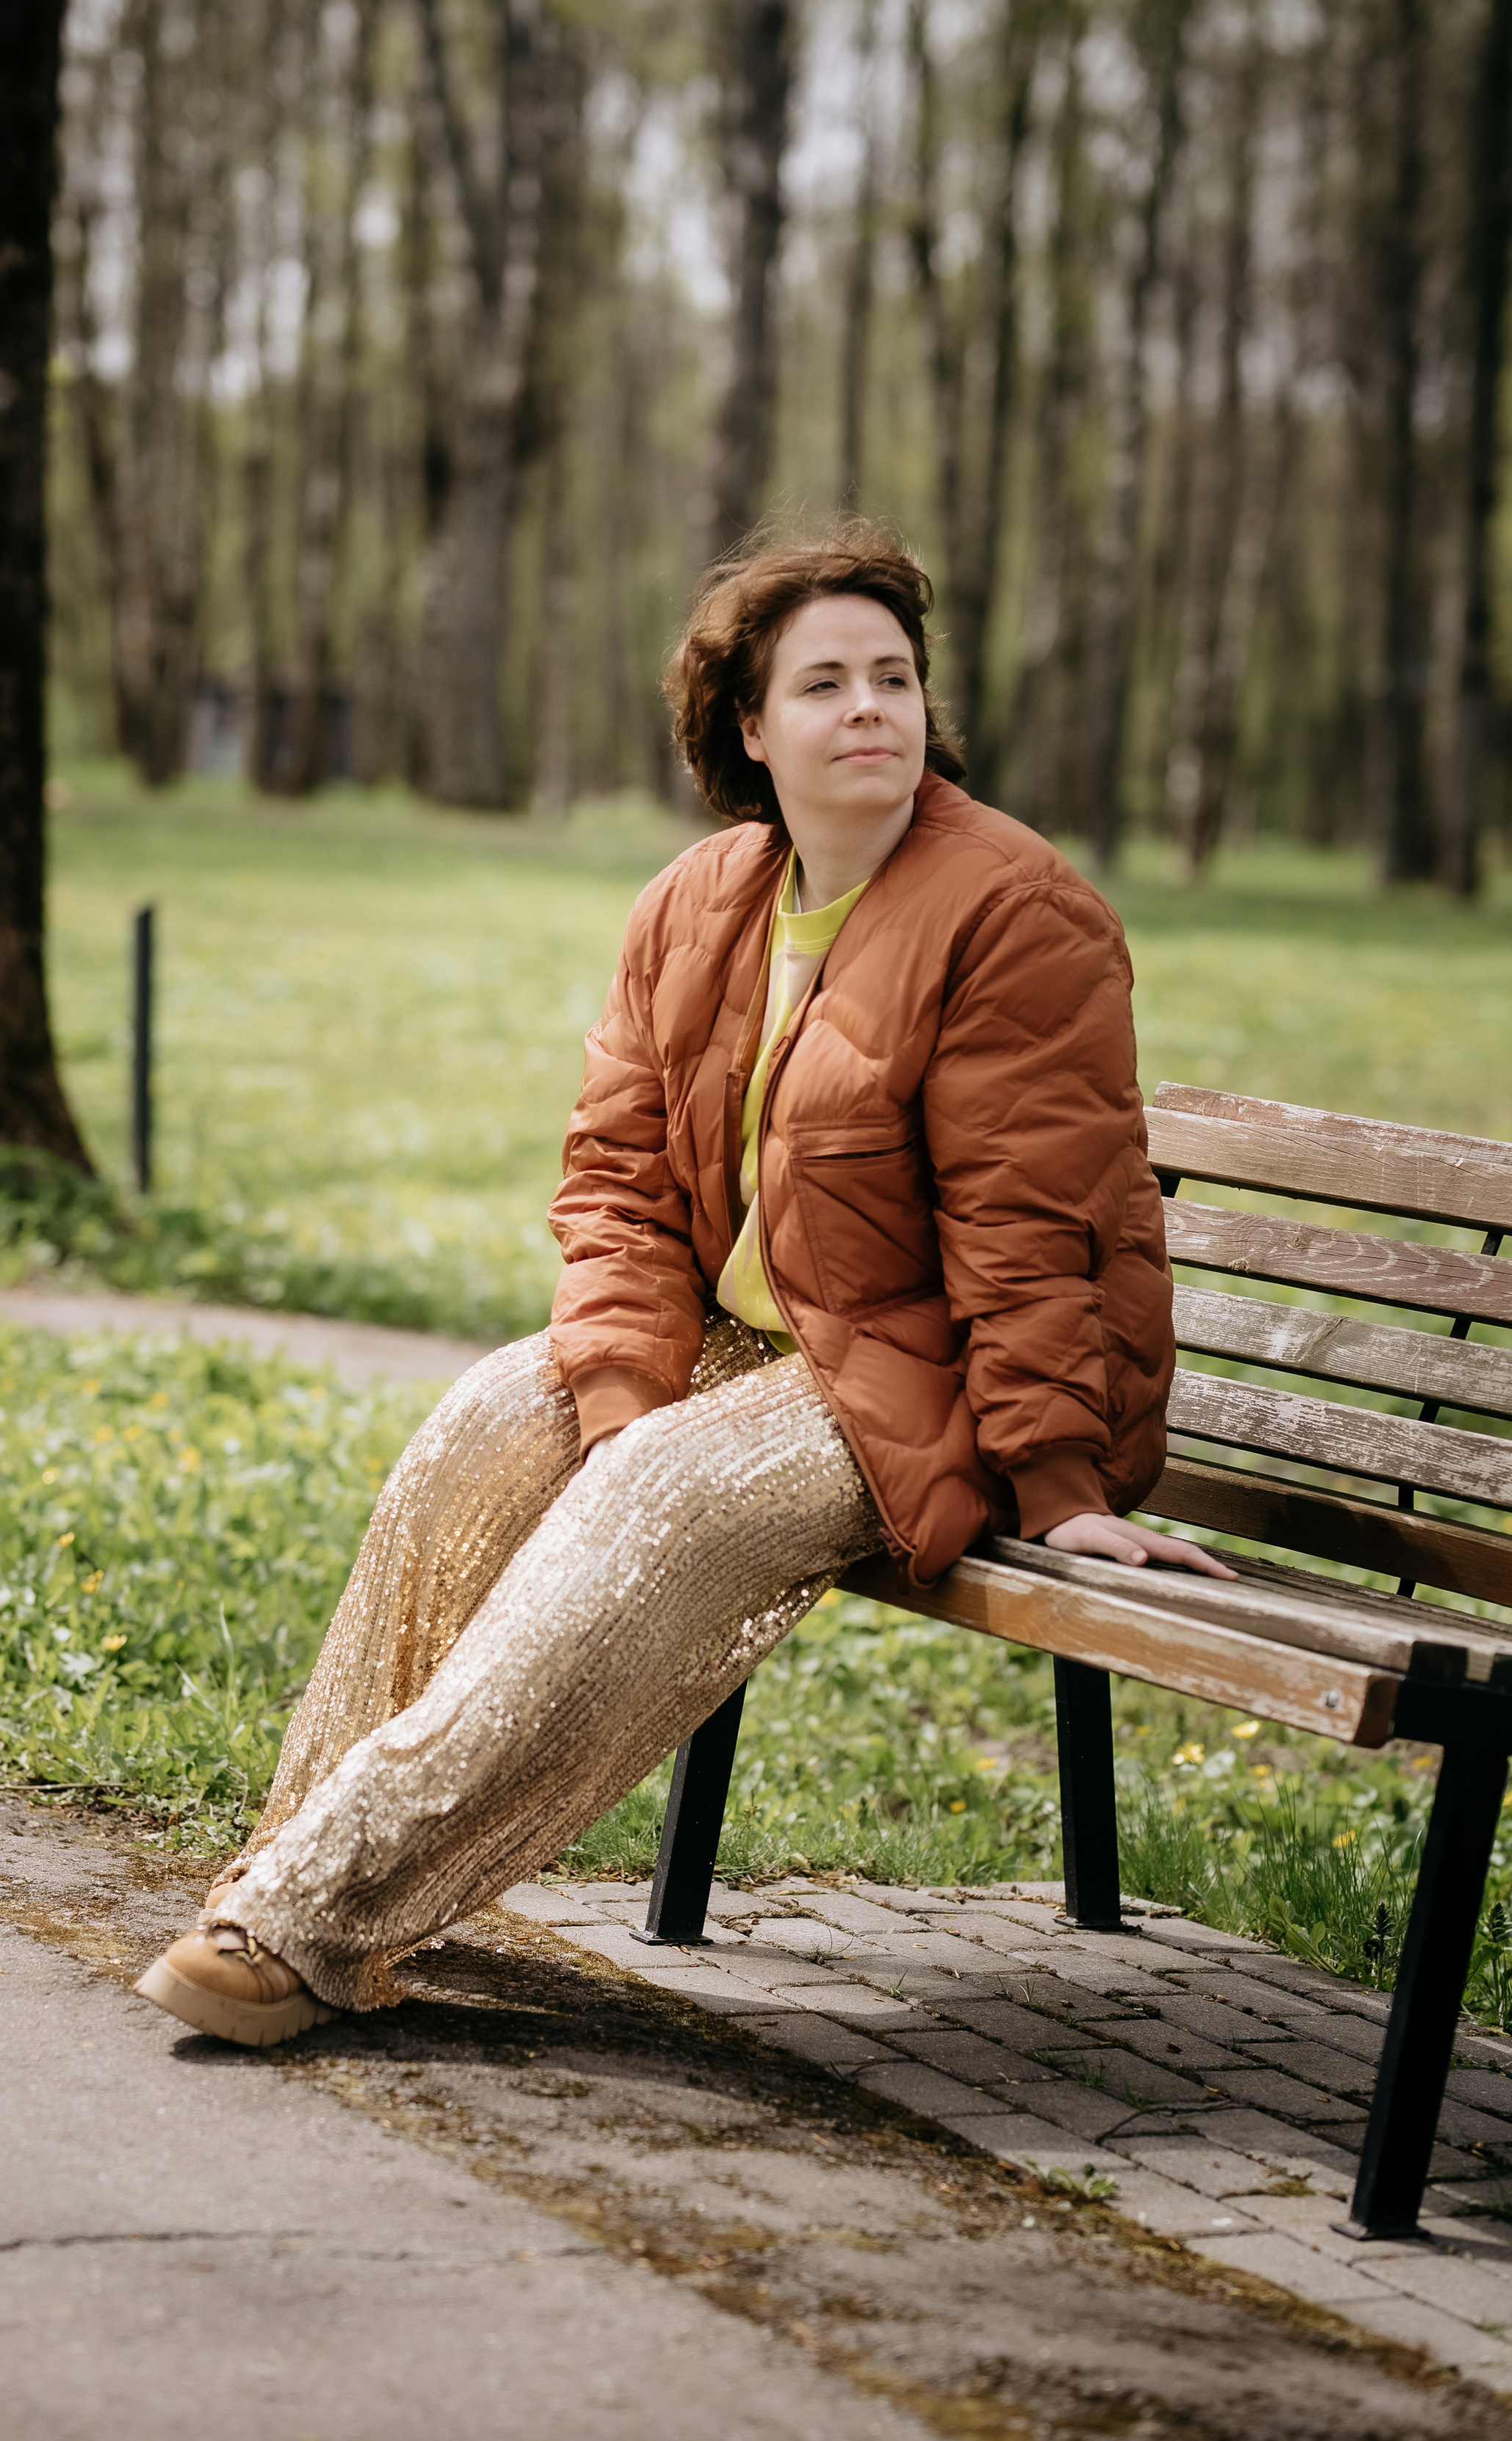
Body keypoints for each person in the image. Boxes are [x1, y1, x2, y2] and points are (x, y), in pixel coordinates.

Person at [135, 522, 1230, 2051]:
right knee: (477, 1430)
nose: (869, 709)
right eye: (826, 683)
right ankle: (287, 1864)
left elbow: (1030, 1232)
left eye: (894, 678)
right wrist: (622, 1392)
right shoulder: (701, 899)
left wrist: (1058, 1484)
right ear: (748, 726)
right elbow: (620, 1179)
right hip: (730, 1350)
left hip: (927, 1381)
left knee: (658, 1501)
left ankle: (313, 1921)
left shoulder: (1012, 914)